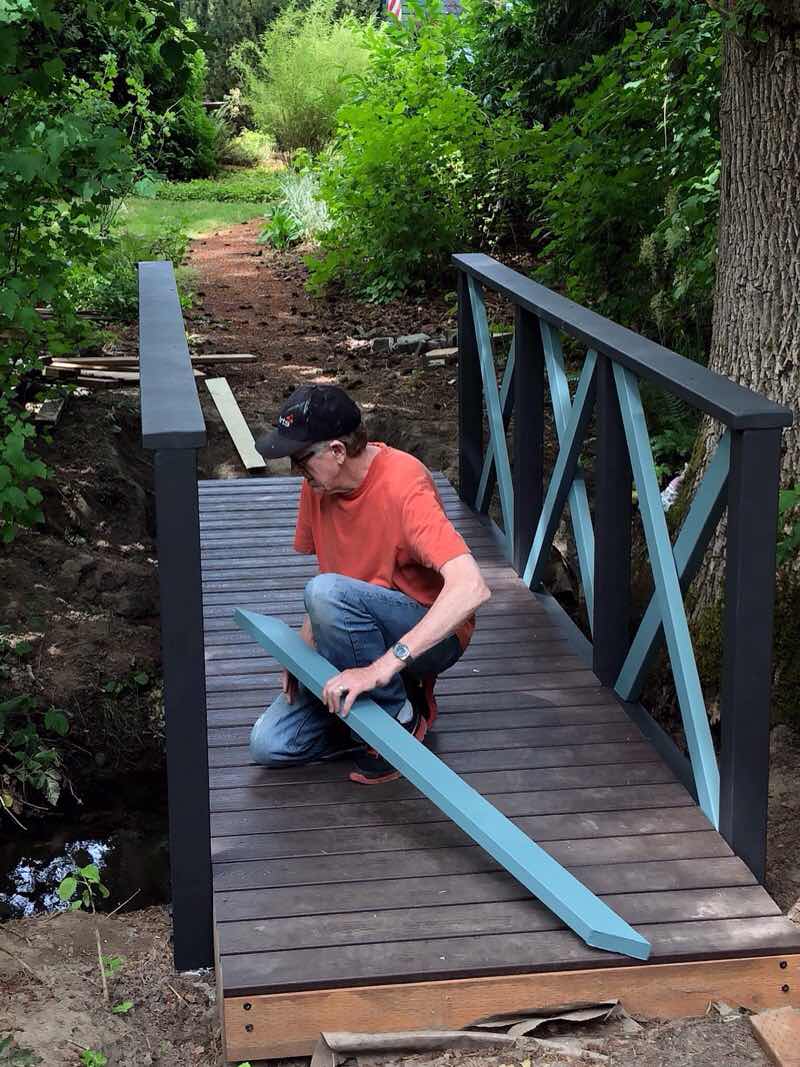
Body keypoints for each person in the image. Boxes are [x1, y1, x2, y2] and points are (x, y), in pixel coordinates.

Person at [249, 383, 491, 783]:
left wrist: (380, 670)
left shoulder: (404, 484)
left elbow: (472, 587)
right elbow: (331, 577)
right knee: (270, 744)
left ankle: (397, 719)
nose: (296, 471)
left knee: (326, 593)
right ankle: (368, 718)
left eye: (300, 459)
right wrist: (302, 654)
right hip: (356, 631)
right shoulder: (318, 486)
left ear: (337, 451)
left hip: (429, 637)